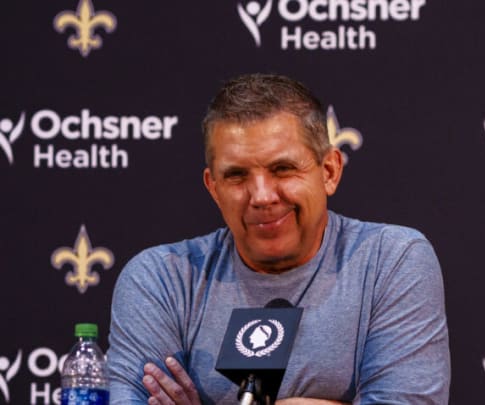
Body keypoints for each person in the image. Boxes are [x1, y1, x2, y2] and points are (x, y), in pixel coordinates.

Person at [107, 73, 451, 404]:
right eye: (237, 176)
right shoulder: (160, 278)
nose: (261, 196)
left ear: (329, 172)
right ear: (214, 188)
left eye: (282, 169)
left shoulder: (391, 260)